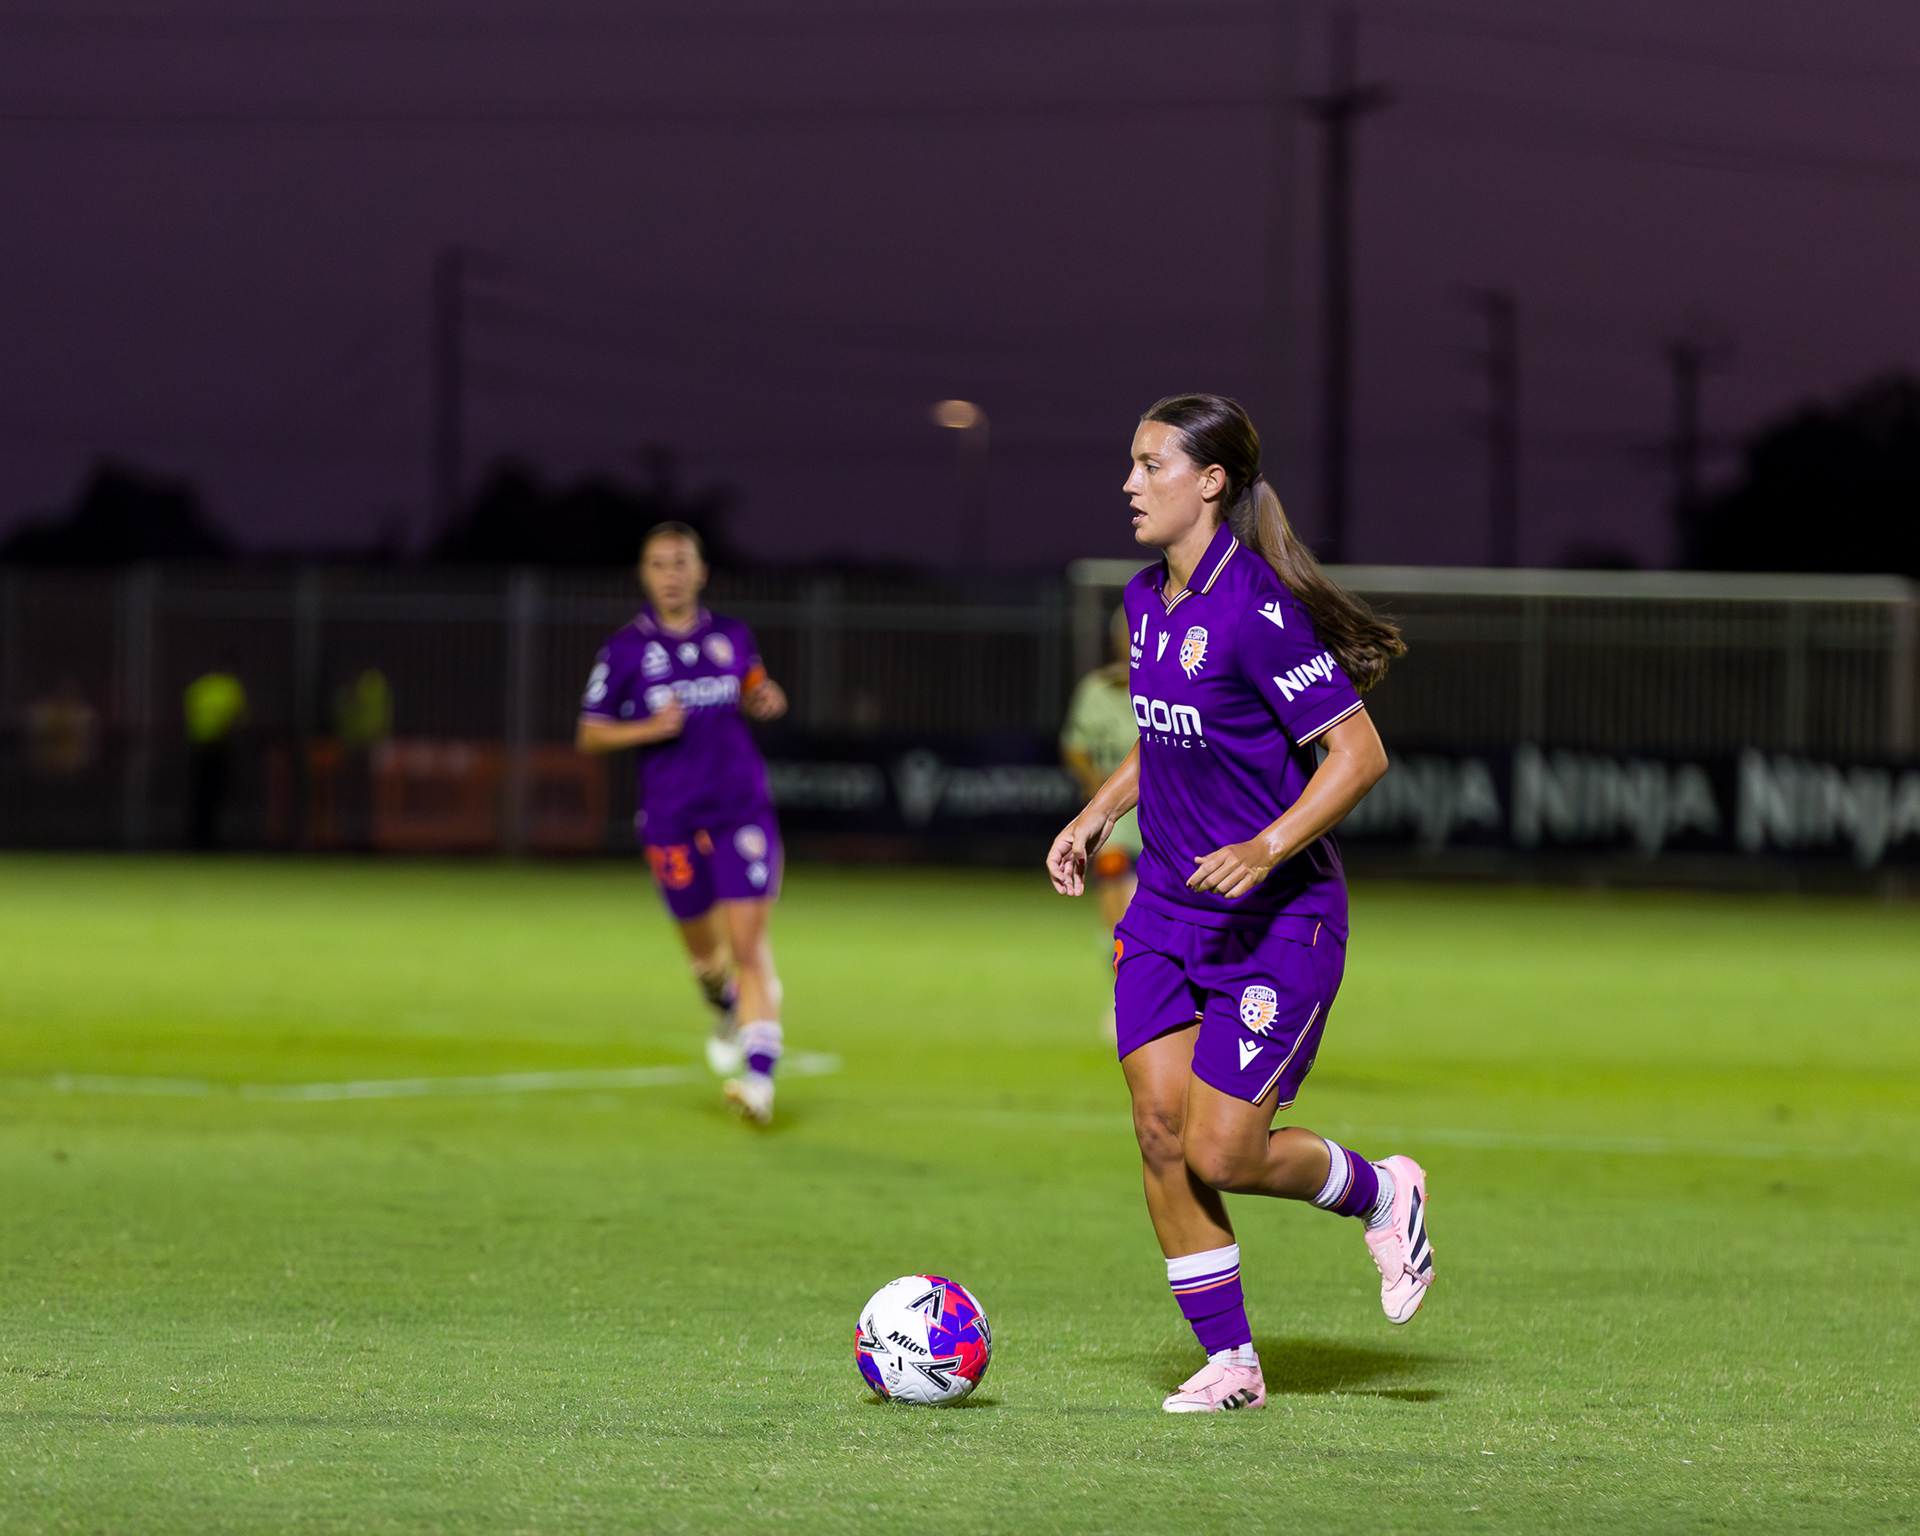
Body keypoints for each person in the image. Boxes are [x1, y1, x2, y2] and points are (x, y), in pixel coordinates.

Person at [1046, 394, 1426, 1415]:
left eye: (1151, 465)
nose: (1130, 484)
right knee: (1159, 1132)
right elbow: (1166, 733)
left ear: (1210, 483)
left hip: (1278, 922)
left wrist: (1265, 847)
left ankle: (1383, 1190)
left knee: (1224, 1151)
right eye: (1132, 464)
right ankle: (1232, 1365)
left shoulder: (1256, 611)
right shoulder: (1145, 599)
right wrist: (1097, 813)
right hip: (1164, 914)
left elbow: (1359, 755)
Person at [575, 522, 791, 1124]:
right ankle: (722, 1002)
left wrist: (764, 696)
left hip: (740, 809)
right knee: (706, 956)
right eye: (658, 564)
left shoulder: (732, 635)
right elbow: (589, 734)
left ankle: (759, 1083)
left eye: (680, 563)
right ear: (644, 575)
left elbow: (753, 684)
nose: (670, 575)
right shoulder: (624, 650)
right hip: (669, 818)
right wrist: (649, 727)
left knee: (749, 947)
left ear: (701, 573)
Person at [1060, 606, 1142, 1035]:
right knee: (1116, 913)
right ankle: (1124, 998)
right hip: (1116, 821)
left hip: (1166, 817)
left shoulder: (1173, 684)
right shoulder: (1097, 690)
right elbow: (1075, 746)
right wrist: (1097, 789)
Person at [183, 667, 248, 850]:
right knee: (213, 797)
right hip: (216, 748)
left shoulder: (199, 687)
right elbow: (239, 716)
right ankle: (208, 840)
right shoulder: (230, 687)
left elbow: (190, 715)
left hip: (201, 748)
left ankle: (199, 840)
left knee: (201, 797)